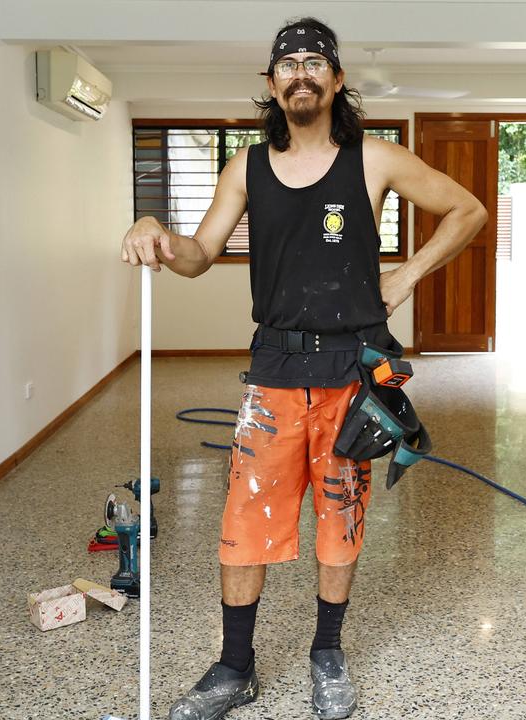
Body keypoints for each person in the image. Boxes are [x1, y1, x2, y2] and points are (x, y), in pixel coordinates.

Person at [120, 16, 487, 720]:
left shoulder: (374, 158)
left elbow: (466, 211)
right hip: (275, 370)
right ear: (271, 83)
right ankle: (234, 668)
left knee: (341, 519)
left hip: (357, 375)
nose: (301, 71)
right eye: (287, 62)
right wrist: (156, 231)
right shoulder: (246, 168)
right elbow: (198, 255)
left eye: (315, 60)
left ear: (337, 79)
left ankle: (326, 651)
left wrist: (408, 273)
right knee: (242, 521)